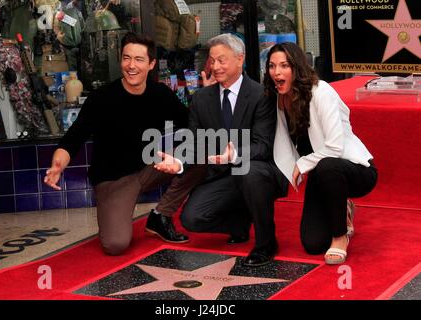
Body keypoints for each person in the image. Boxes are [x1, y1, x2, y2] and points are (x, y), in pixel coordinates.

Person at [44, 32, 205, 255]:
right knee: (116, 244)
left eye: (139, 60)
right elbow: (73, 138)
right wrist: (58, 165)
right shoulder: (102, 98)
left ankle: (161, 215)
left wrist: (208, 95)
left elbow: (193, 124)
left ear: (151, 64)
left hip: (150, 169)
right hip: (113, 181)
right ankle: (117, 213)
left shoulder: (161, 94)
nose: (131, 66)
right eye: (126, 58)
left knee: (202, 151)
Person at [154, 34, 286, 267]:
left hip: (258, 170)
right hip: (221, 175)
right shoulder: (202, 99)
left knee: (248, 172)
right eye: (212, 61)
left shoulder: (261, 95)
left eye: (221, 60)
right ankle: (239, 222)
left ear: (240, 59)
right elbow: (195, 142)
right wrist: (180, 162)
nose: (215, 66)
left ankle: (266, 243)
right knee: (191, 219)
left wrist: (234, 155)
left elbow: (263, 145)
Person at [264, 42, 378, 264]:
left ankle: (340, 236)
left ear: (297, 68)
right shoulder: (278, 99)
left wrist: (303, 163)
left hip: (352, 169)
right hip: (321, 173)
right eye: (271, 66)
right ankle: (342, 206)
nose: (277, 72)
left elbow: (334, 147)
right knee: (313, 244)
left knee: (328, 165)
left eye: (284, 65)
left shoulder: (321, 91)